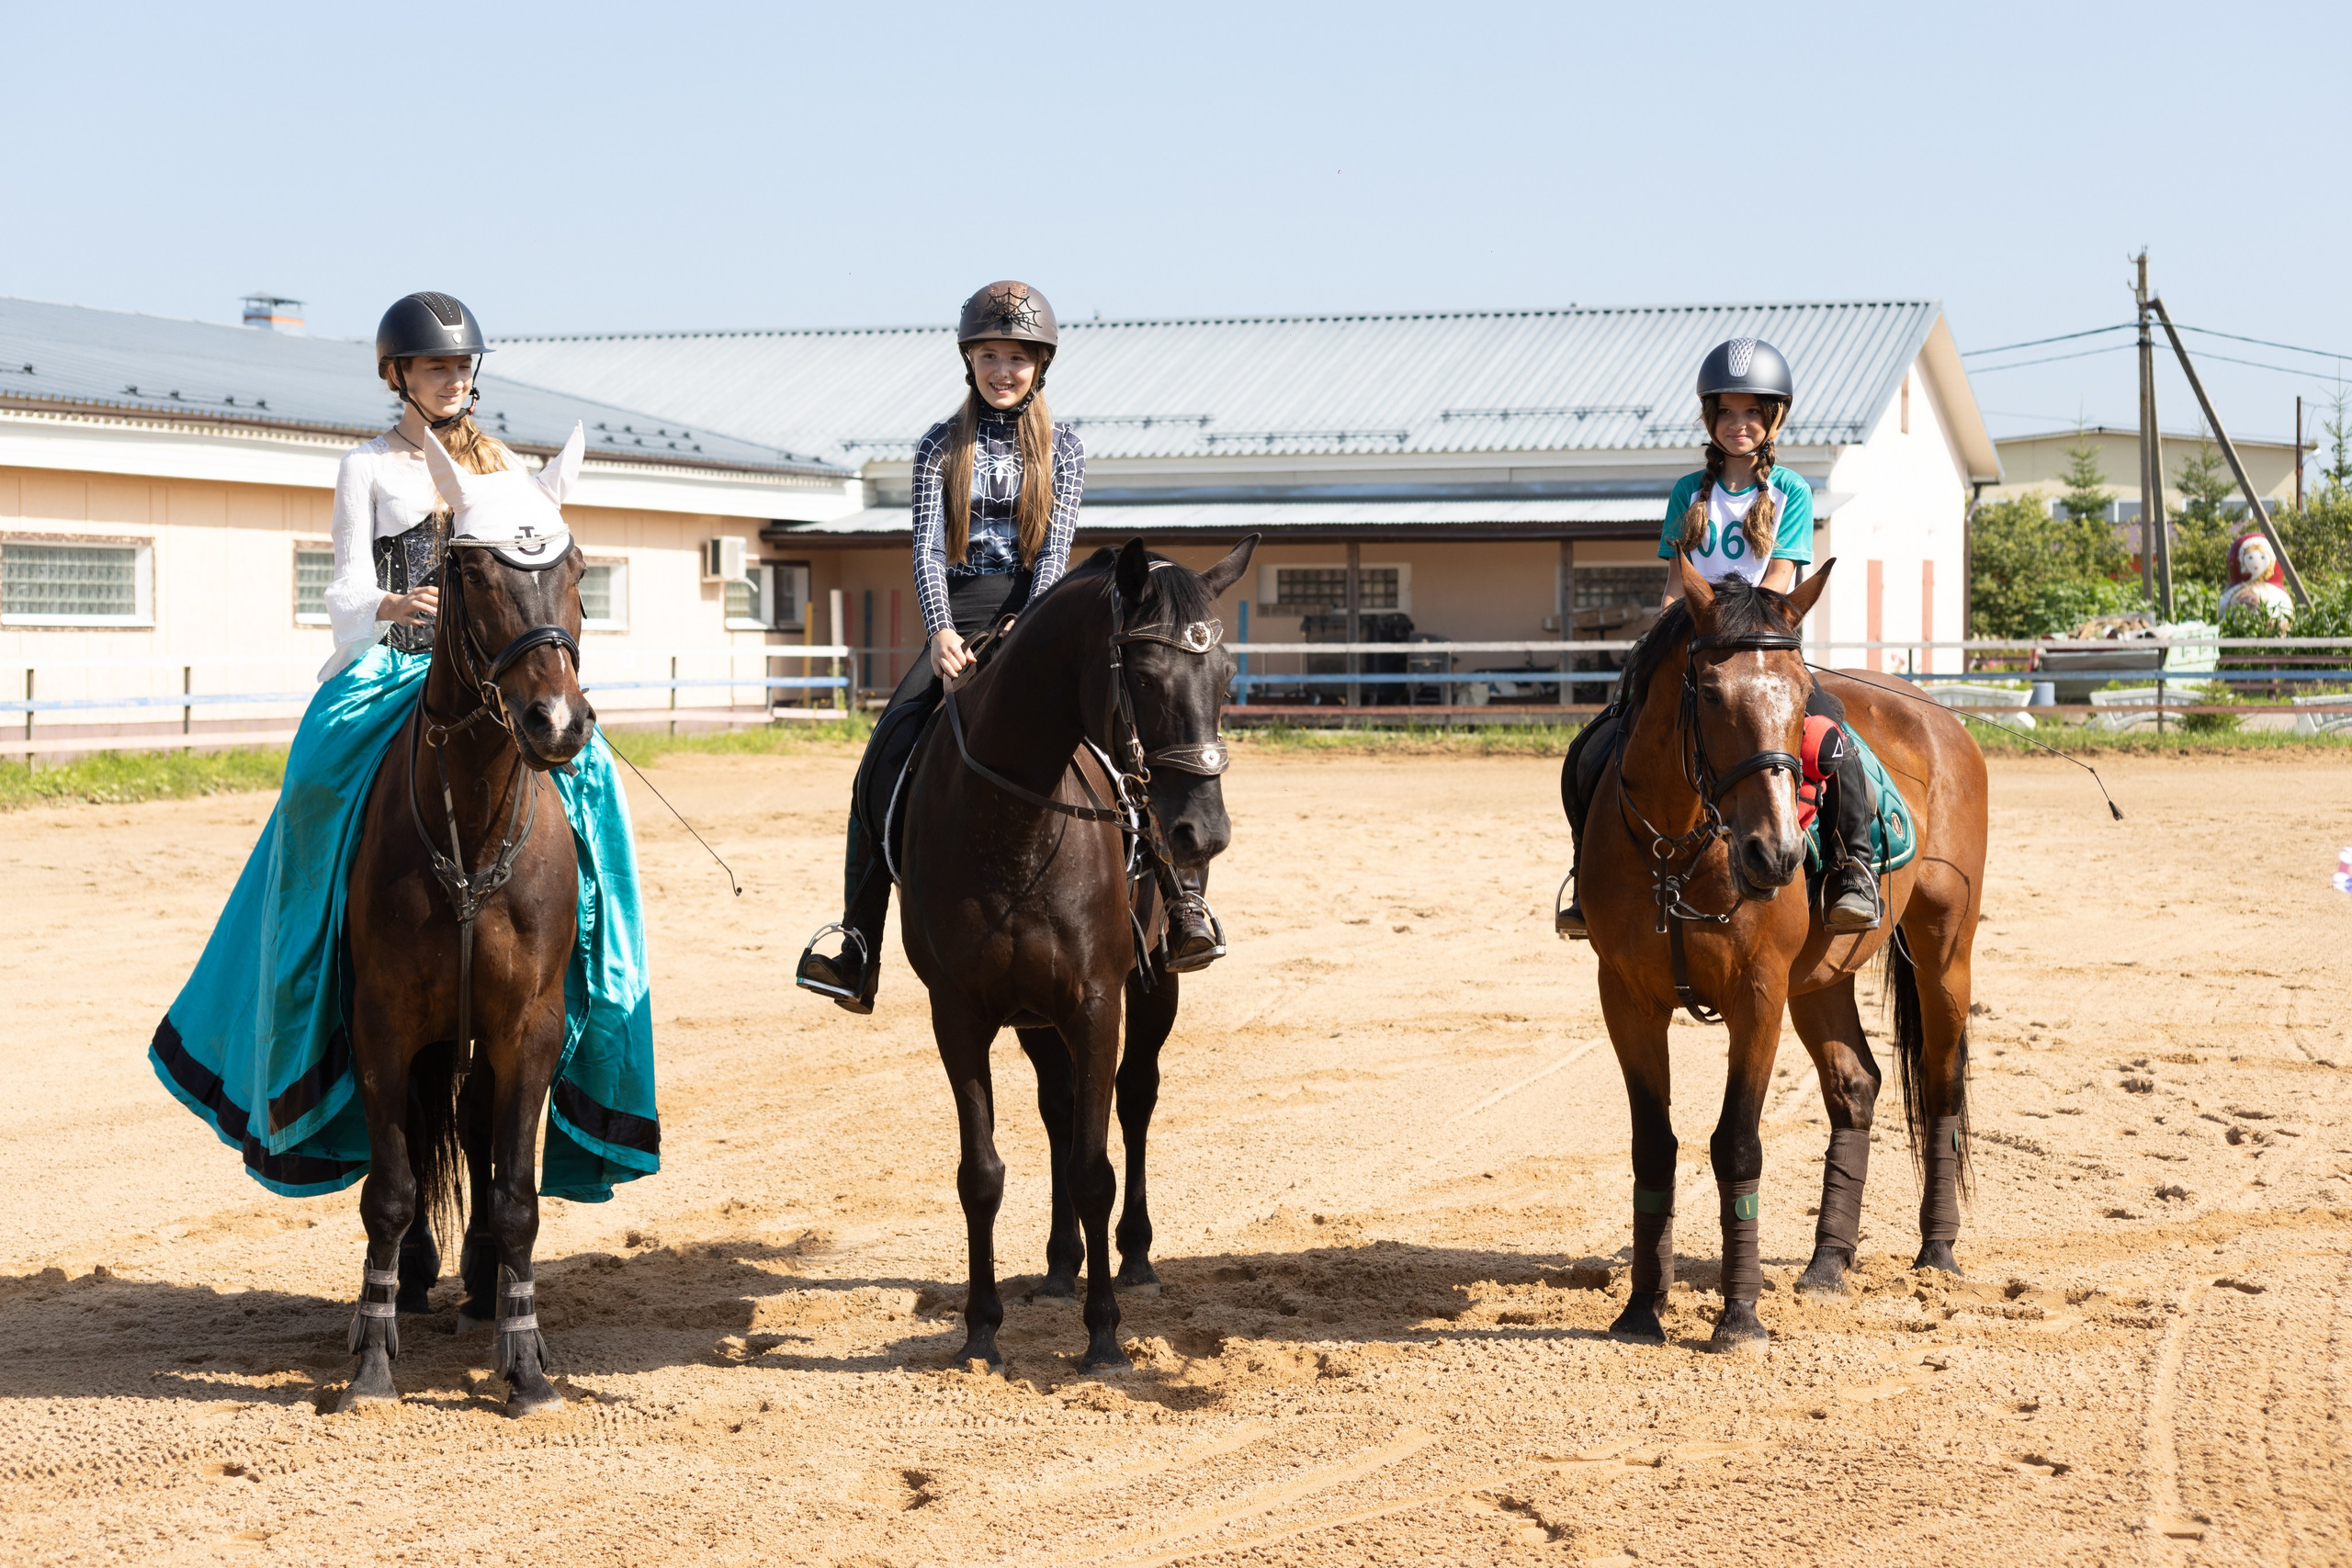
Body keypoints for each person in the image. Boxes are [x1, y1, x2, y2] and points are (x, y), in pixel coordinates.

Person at [148, 292, 659, 1243]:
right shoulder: (368, 465)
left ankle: (597, 966)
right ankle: (304, 944)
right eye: (433, 368)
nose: (450, 380)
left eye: (461, 368)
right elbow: (343, 583)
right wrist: (395, 605)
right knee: (315, 778)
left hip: (492, 673)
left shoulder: (507, 468)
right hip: (393, 666)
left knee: (594, 787)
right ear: (399, 376)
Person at [795, 279, 1225, 1014]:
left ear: (1040, 365)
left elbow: (1054, 552)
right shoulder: (939, 445)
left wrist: (1029, 630)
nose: (1003, 370)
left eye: (1018, 357)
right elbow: (927, 550)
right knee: (885, 751)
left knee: (1128, 737)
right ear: (969, 360)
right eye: (990, 355)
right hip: (958, 614)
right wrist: (941, 631)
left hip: (1042, 618)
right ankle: (858, 943)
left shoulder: (1065, 449)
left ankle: (1182, 902)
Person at [1558, 336, 1881, 936]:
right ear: (1710, 418)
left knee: (1833, 739)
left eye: (1752, 412)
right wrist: (1662, 636)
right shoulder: (1688, 492)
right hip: (1695, 642)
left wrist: (1732, 624)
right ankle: (1587, 876)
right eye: (1727, 412)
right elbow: (1674, 585)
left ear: (1773, 419)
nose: (1739, 424)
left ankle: (1852, 869)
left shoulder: (1791, 491)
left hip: (1763, 645)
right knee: (1591, 748)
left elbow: (1780, 582)